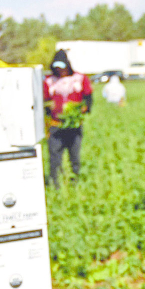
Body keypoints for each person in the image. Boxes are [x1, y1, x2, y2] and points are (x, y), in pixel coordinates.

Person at [43, 49, 92, 187]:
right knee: (55, 157)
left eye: (62, 67)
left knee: (74, 156)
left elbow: (88, 97)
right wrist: (49, 108)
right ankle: (55, 184)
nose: (60, 70)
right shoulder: (49, 81)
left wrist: (85, 108)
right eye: (57, 68)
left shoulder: (79, 78)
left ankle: (74, 182)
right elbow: (44, 100)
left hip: (74, 125)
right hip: (55, 125)